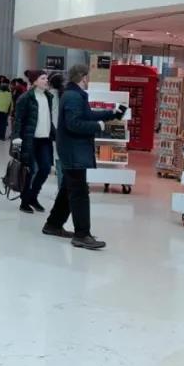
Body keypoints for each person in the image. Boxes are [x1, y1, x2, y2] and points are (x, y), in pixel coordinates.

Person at [42, 63, 125, 250]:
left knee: (68, 189)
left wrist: (111, 113)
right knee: (79, 192)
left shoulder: (74, 94)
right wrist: (98, 126)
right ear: (83, 77)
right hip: (73, 151)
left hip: (73, 150)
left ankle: (53, 224)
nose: (89, 80)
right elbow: (74, 123)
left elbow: (87, 114)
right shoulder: (73, 96)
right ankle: (82, 234)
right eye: (88, 76)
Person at [14, 70, 55, 214]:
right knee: (30, 171)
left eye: (46, 78)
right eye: (43, 78)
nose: (46, 81)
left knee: (45, 168)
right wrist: (16, 137)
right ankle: (24, 201)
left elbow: (47, 119)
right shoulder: (26, 97)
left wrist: (55, 134)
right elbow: (18, 119)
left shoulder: (48, 97)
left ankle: (33, 196)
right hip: (30, 139)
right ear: (35, 81)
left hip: (45, 139)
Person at [49, 72, 66, 188]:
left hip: (53, 131)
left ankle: (61, 189)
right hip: (65, 131)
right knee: (62, 161)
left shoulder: (49, 95)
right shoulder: (65, 95)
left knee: (58, 160)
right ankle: (63, 188)